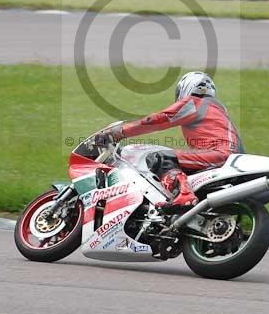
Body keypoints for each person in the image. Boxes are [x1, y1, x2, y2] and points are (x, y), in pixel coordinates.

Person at [93, 72, 243, 210]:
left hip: (219, 155)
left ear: (187, 88)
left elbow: (159, 119)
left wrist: (118, 133)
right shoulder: (217, 110)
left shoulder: (195, 103)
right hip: (230, 158)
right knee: (178, 166)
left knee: (160, 158)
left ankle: (184, 196)